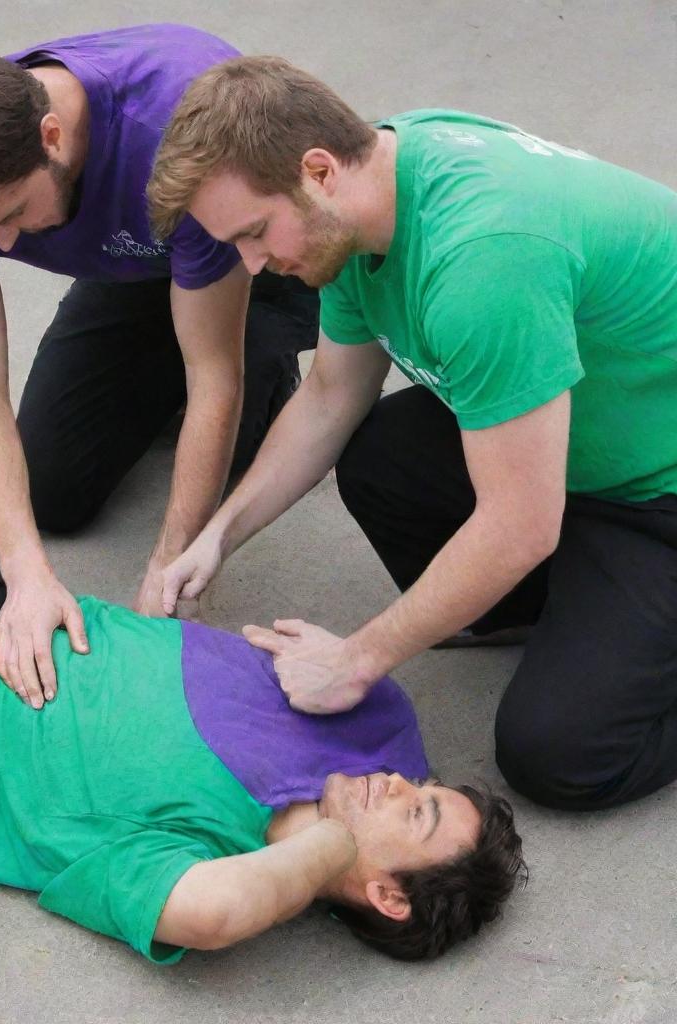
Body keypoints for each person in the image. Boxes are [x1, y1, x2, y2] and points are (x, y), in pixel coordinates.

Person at [0, 490, 524, 963]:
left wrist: (337, 841)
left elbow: (216, 917)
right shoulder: (381, 736)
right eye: (427, 787)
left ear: (387, 893)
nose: (406, 784)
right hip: (21, 617)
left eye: (415, 815)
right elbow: (351, 671)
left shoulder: (218, 862)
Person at [146, 57, 677, 812]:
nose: (254, 265)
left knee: (560, 753)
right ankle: (549, 612)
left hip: (660, 488)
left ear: (319, 170)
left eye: (256, 233)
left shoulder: (482, 262)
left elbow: (522, 525)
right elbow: (331, 394)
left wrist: (358, 660)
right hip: (576, 441)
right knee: (379, 453)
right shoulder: (377, 181)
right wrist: (217, 535)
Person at [0, 26, 319, 711]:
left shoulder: (173, 129)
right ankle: (151, 358)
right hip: (126, 262)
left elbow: (213, 373)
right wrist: (23, 574)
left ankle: (274, 357)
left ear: (52, 137)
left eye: (14, 214)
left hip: (246, 249)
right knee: (51, 492)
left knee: (243, 430)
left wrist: (169, 569)